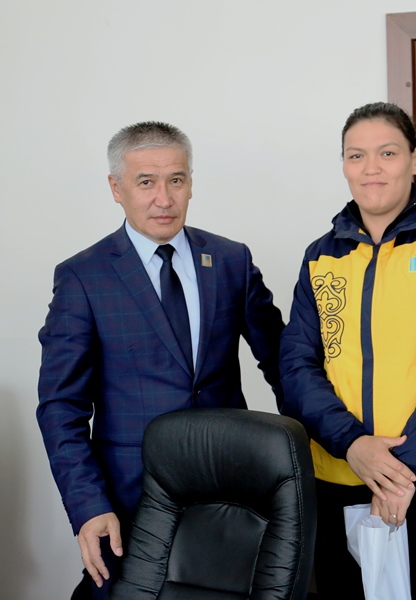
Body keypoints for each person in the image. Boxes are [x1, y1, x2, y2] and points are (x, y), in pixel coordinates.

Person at [37, 121, 284, 599]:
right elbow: (60, 407)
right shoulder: (83, 277)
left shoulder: (230, 260)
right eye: (146, 182)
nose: (164, 199)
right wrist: (88, 505)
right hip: (129, 498)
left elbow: (282, 365)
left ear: (191, 182)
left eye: (176, 180)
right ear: (117, 189)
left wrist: (321, 450)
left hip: (228, 489)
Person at [280, 102, 416, 599]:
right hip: (338, 474)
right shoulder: (321, 255)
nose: (371, 168)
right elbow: (297, 365)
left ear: (415, 159)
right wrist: (352, 445)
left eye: (387, 153)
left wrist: (402, 473)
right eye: (356, 155)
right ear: (343, 165)